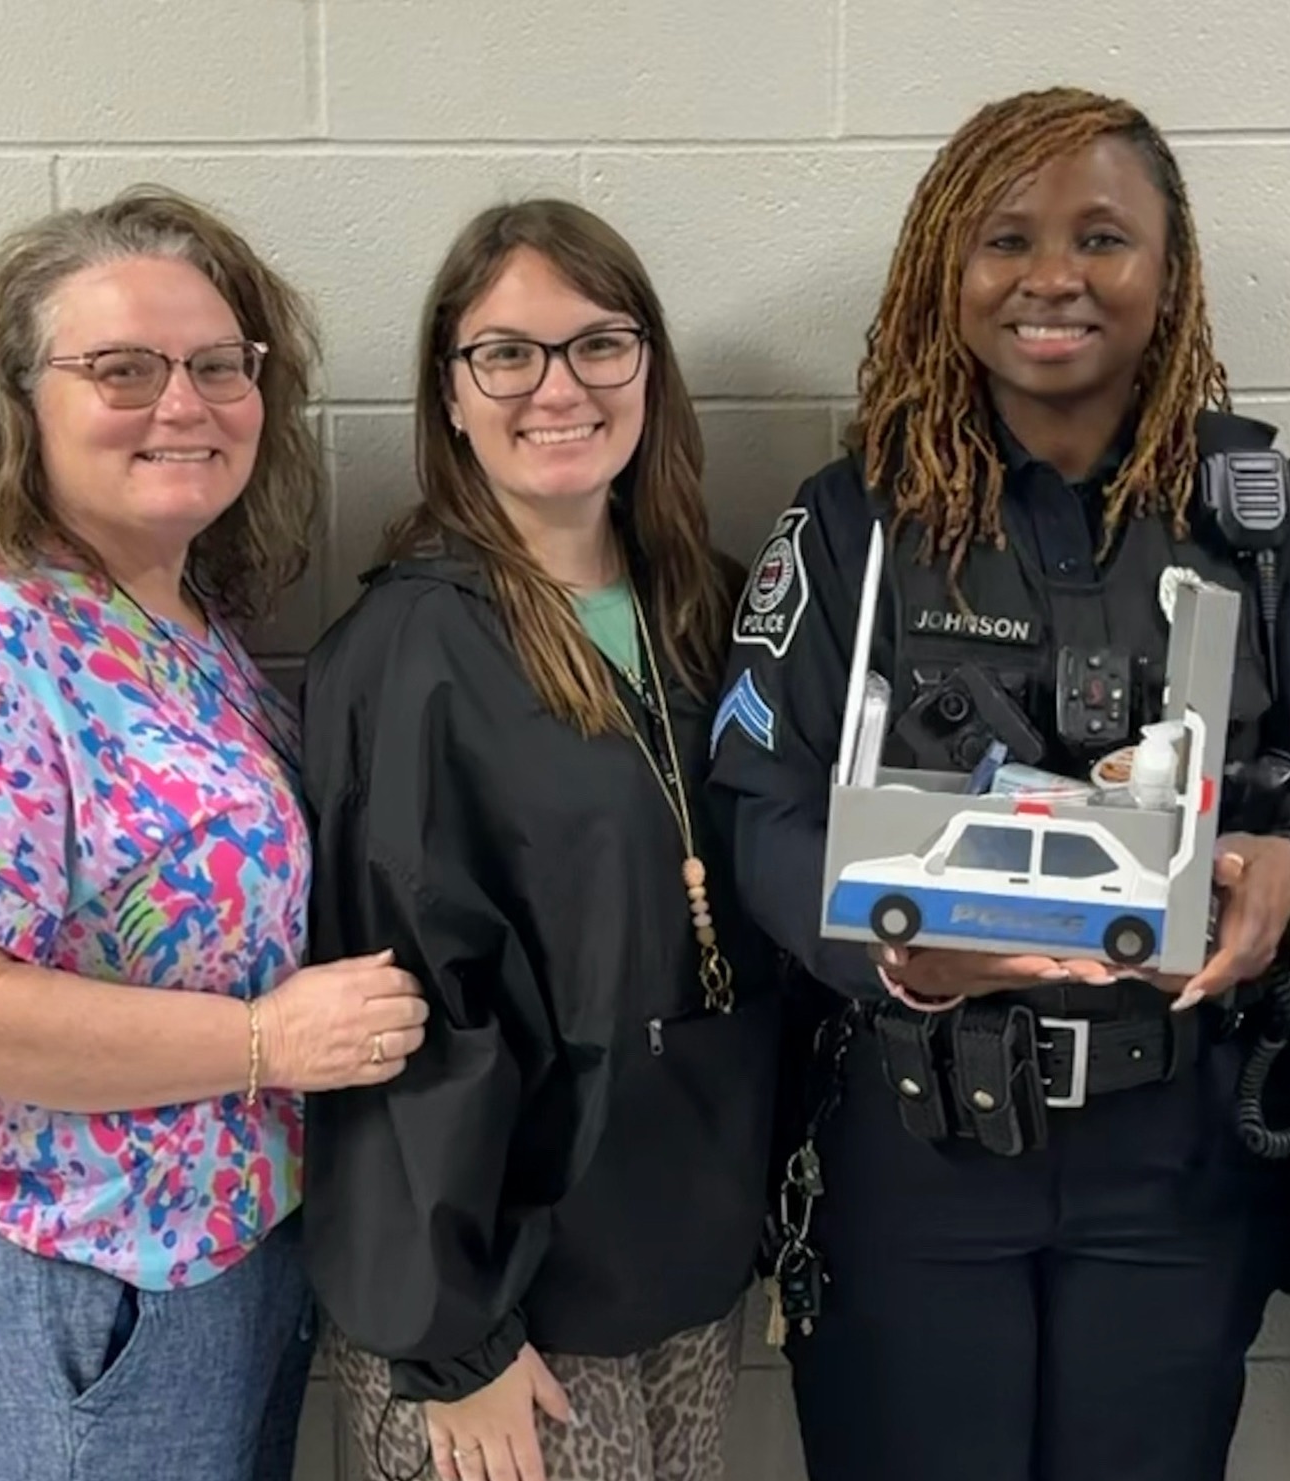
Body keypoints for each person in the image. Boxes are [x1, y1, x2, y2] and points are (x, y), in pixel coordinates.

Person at [705, 86, 1290, 1481]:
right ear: (943, 271)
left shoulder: (1258, 522)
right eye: (1006, 238)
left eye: (1105, 237)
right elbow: (760, 809)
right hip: (917, 1153)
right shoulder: (853, 521)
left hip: (1174, 1151)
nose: (1053, 277)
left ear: (1172, 273)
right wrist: (903, 948)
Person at [0, 184, 422, 1481]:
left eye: (220, 365)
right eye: (123, 368)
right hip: (76, 1275)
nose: (184, 401)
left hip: (224, 1266)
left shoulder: (185, 633)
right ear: (19, 401)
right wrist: (269, 1041)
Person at [302, 199, 789, 1481]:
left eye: (596, 345)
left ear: (648, 370)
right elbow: (390, 1001)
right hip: (499, 1299)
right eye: (505, 353)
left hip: (678, 1251)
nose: (555, 387)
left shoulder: (720, 612)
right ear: (449, 394)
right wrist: (451, 1334)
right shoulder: (408, 653)